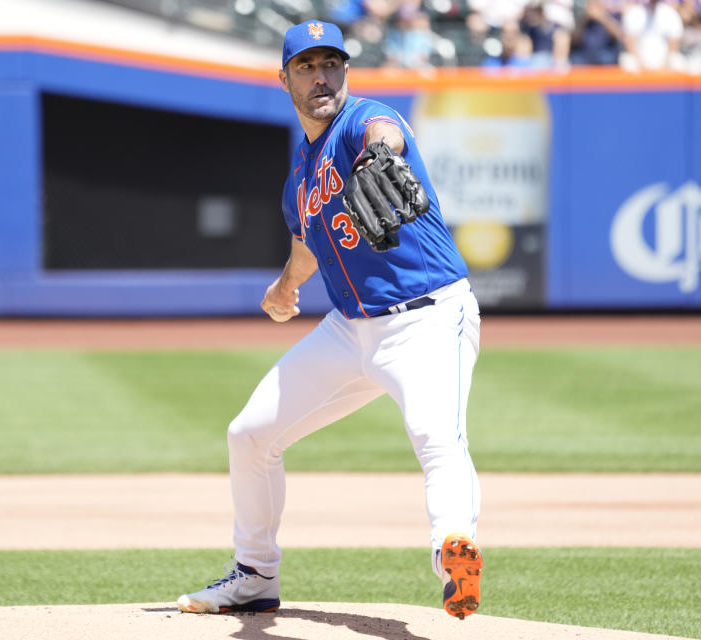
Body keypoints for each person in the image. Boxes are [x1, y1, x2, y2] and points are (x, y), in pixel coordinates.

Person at [177, 19, 484, 621]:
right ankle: (255, 574)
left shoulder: (361, 123)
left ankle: (453, 553)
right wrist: (285, 286)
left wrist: (376, 154)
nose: (321, 77)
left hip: (427, 316)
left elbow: (385, 131)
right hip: (349, 330)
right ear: (286, 78)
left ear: (346, 71)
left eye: (331, 64)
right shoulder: (298, 180)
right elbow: (307, 245)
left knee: (435, 435)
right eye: (307, 66)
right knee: (250, 434)